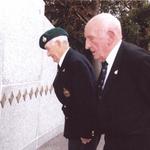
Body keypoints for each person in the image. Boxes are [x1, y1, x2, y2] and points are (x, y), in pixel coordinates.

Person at [84, 13, 150, 150]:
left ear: (110, 36)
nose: (86, 45)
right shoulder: (108, 63)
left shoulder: (137, 60)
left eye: (91, 38)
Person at [39, 27, 100, 150]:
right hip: (77, 127)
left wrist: (86, 131)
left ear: (58, 43)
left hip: (83, 132)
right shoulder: (67, 62)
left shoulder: (75, 62)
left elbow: (87, 99)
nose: (48, 54)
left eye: (48, 49)